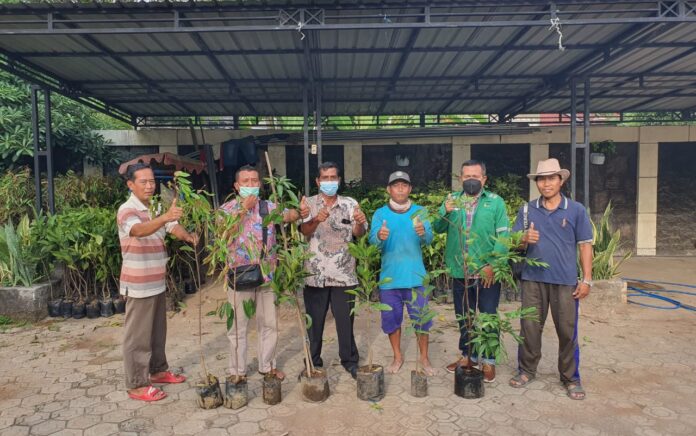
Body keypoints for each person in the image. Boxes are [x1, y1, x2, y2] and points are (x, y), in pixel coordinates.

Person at [508, 158, 593, 400]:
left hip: (565, 282)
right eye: (541, 179)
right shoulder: (527, 210)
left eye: (551, 178)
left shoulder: (576, 210)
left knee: (567, 331)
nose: (546, 183)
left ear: (561, 180)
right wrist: (524, 238)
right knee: (530, 328)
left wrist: (586, 280)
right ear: (537, 183)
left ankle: (570, 378)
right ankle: (526, 370)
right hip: (532, 280)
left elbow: (585, 245)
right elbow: (513, 243)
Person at [219, 165, 309, 382]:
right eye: (246, 182)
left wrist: (301, 211)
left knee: (268, 323)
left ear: (260, 184)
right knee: (238, 326)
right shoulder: (226, 210)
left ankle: (267, 366)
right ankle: (237, 371)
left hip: (267, 275)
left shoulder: (268, 207)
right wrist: (242, 210)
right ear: (236, 186)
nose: (251, 185)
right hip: (238, 276)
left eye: (254, 181)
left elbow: (287, 216)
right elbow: (222, 236)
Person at [117, 163, 197, 402]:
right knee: (137, 337)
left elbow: (173, 227)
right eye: (144, 182)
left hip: (156, 281)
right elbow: (139, 231)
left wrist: (188, 236)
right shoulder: (127, 210)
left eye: (152, 181)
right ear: (130, 184)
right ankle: (137, 384)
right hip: (138, 283)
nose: (150, 186)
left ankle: (159, 370)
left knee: (157, 333)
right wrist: (165, 217)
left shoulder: (156, 207)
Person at [434, 160, 509, 382]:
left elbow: (503, 236)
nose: (471, 180)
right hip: (460, 271)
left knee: (487, 315)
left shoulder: (496, 203)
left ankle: (489, 361)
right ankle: (468, 356)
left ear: (484, 179)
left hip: (487, 273)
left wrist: (493, 266)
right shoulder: (452, 201)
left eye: (475, 176)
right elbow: (437, 228)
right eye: (466, 176)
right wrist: (443, 212)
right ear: (460, 178)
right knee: (464, 316)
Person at [300, 161, 368, 379]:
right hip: (315, 275)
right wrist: (315, 219)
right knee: (314, 322)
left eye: (333, 178)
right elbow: (304, 231)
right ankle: (313, 361)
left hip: (344, 274)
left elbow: (359, 233)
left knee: (345, 321)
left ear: (339, 180)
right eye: (325, 178)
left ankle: (349, 361)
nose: (329, 182)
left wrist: (359, 222)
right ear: (318, 181)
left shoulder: (350, 203)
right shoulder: (308, 204)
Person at [368, 171, 435, 375]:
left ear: (410, 189)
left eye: (404, 185)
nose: (400, 189)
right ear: (388, 189)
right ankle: (397, 356)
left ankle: (424, 358)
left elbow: (430, 238)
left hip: (416, 278)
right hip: (390, 279)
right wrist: (380, 235)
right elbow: (372, 240)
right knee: (391, 321)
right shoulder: (380, 214)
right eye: (395, 185)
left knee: (422, 321)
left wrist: (424, 233)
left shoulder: (420, 211)